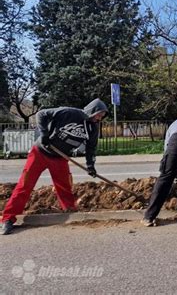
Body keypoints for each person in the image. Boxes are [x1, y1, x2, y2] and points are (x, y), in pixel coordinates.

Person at [1, 99, 108, 235]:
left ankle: (69, 210)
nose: (100, 117)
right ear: (91, 110)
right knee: (25, 185)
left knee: (64, 187)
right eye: (99, 114)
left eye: (102, 115)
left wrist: (90, 165)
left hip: (60, 158)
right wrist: (44, 134)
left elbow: (91, 148)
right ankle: (8, 219)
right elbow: (41, 114)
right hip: (40, 153)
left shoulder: (93, 128)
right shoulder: (69, 113)